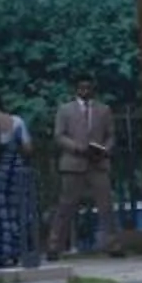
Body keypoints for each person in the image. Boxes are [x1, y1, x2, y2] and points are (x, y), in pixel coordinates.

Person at [49, 76, 116, 258]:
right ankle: (55, 247)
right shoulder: (65, 110)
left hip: (98, 163)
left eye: (88, 88)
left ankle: (112, 245)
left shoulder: (104, 110)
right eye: (81, 88)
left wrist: (105, 150)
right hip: (73, 163)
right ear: (76, 89)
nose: (85, 91)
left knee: (106, 205)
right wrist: (76, 147)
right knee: (65, 206)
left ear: (93, 89)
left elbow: (111, 135)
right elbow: (59, 135)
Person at [0, 100, 35, 270]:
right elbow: (28, 149)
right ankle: (14, 252)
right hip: (14, 174)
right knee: (14, 214)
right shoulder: (16, 121)